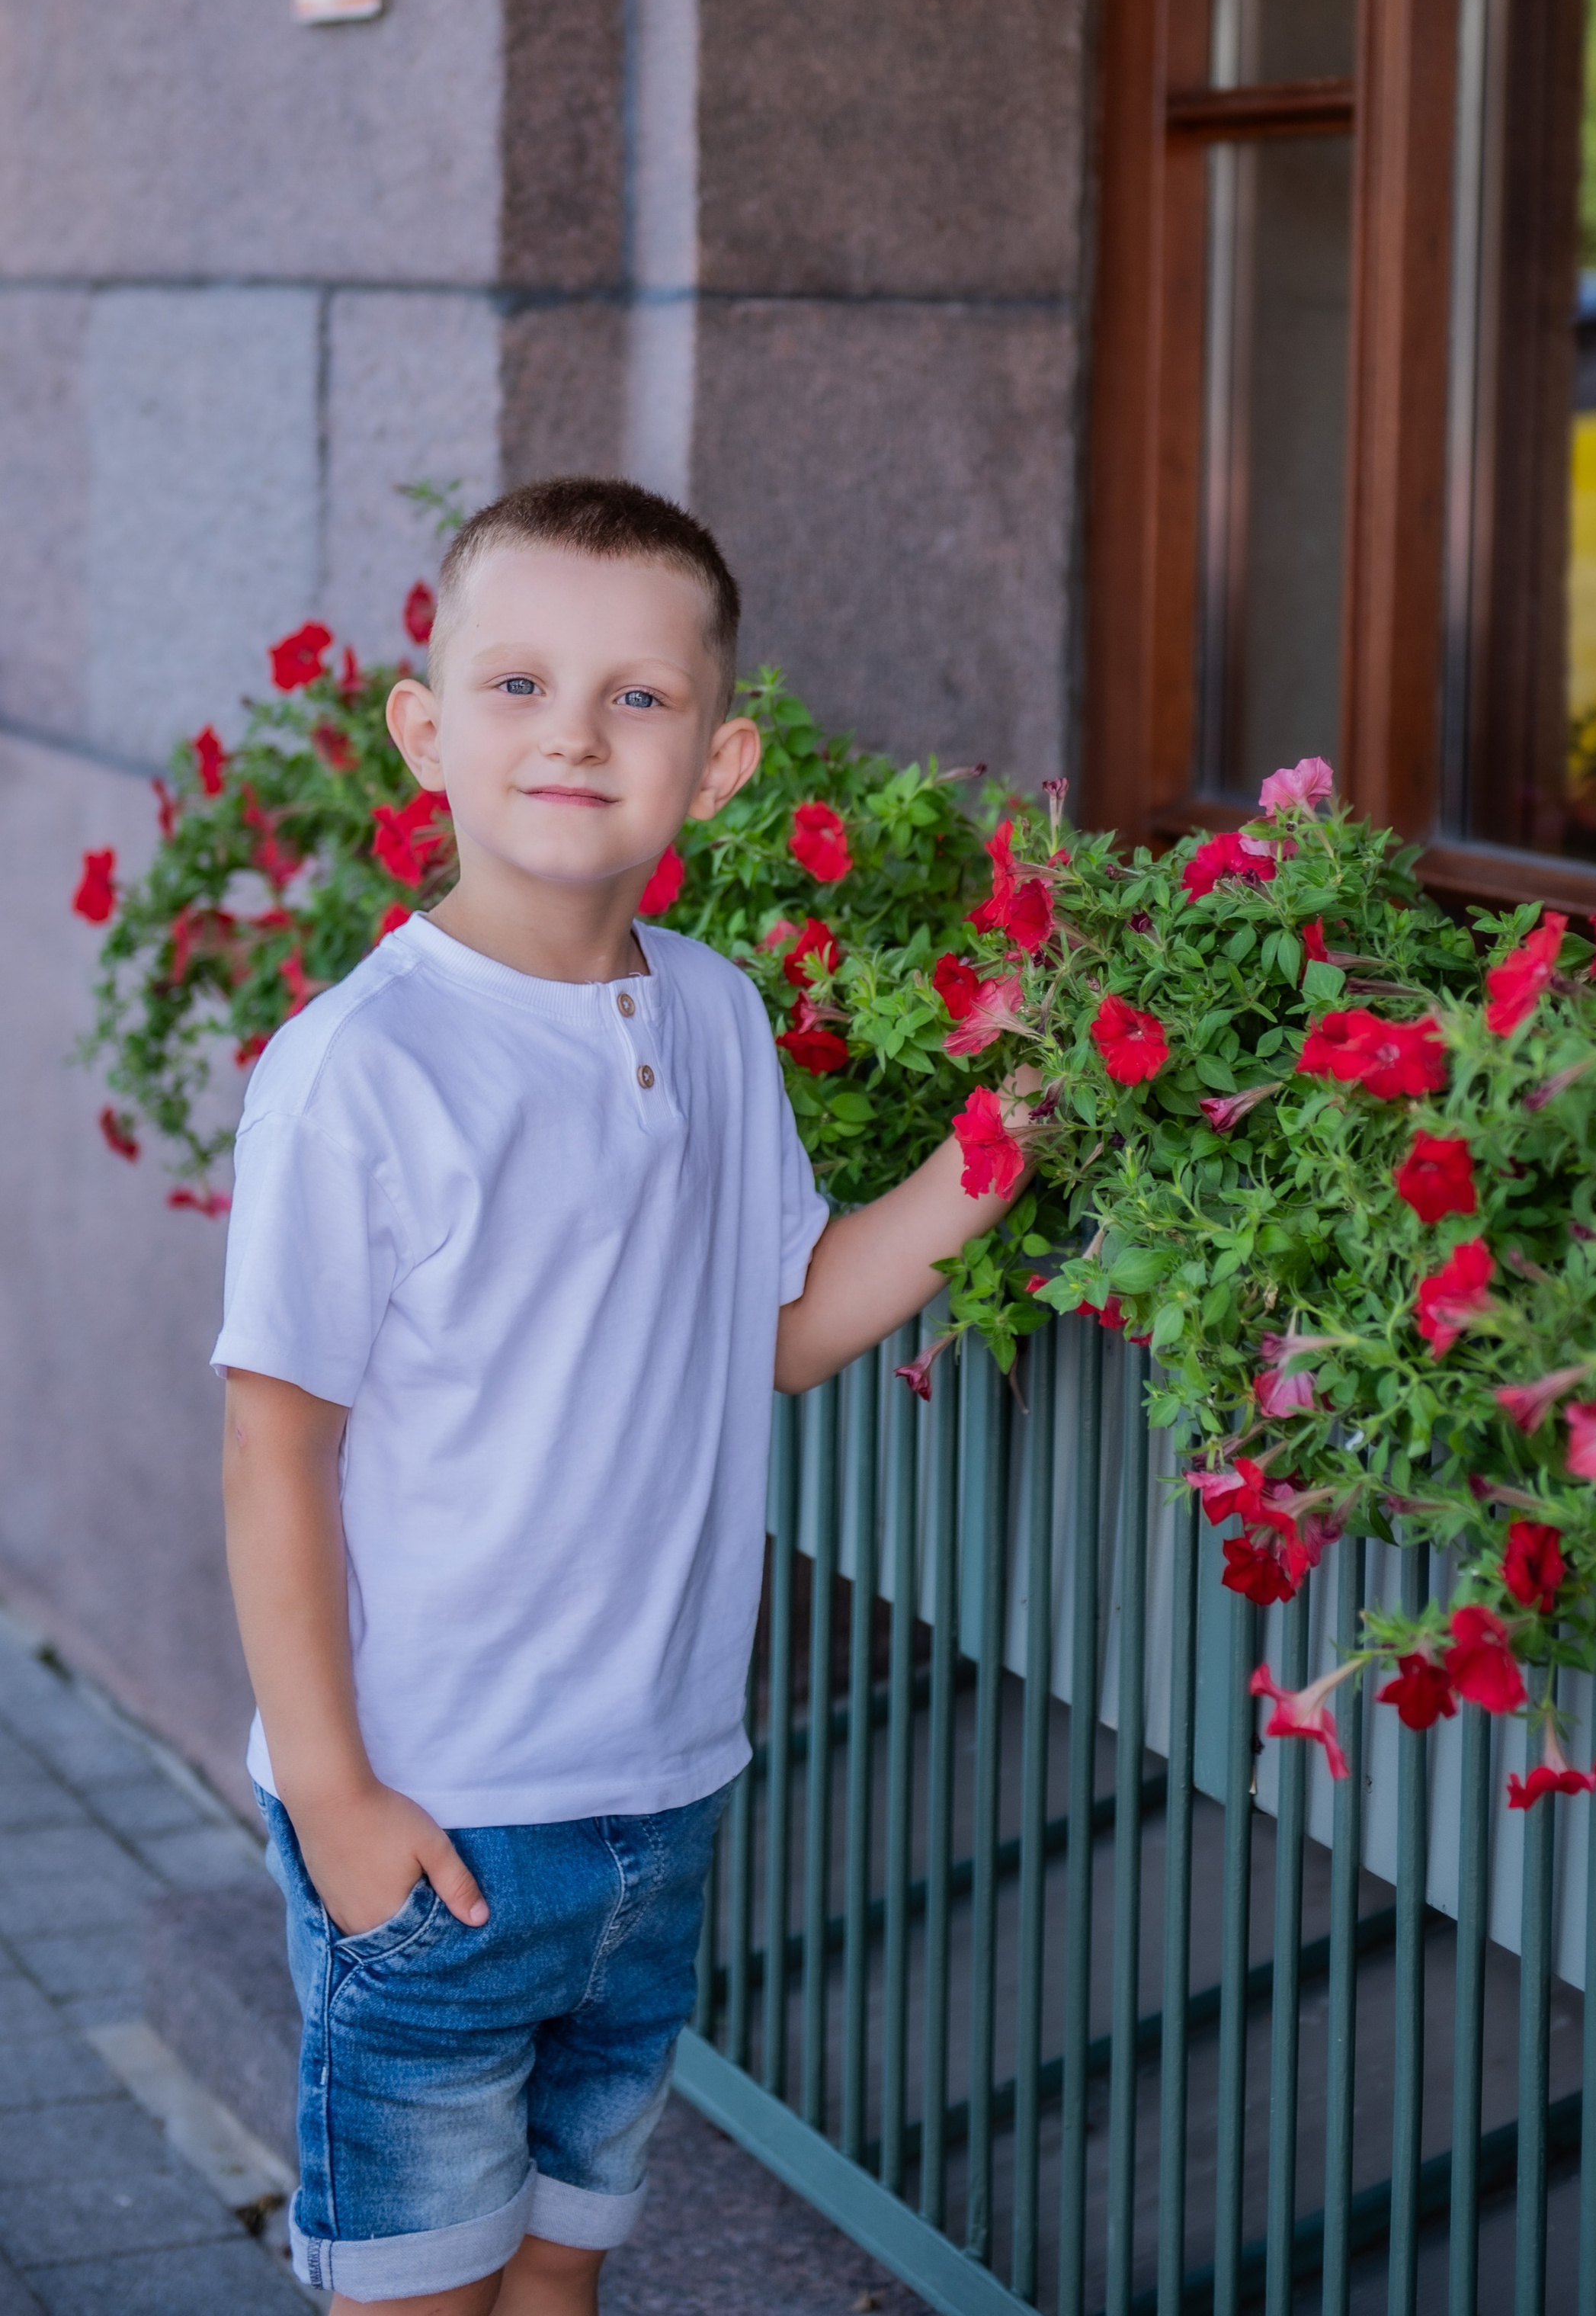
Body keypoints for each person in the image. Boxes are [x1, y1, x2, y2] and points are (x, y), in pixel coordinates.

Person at [215, 477, 1027, 2316]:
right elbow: (275, 1445)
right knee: (417, 2291)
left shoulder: (714, 1014)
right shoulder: (363, 1068)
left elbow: (786, 1321)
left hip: (660, 1797)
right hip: (437, 1817)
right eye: (514, 684)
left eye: (636, 698)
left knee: (562, 2273)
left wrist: (1005, 1137)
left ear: (719, 761)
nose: (572, 730)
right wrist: (335, 1797)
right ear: (424, 731)